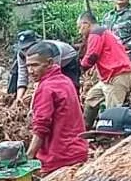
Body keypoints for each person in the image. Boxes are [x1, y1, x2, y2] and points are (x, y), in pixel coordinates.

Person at [25, 41, 87, 172]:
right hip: (78, 151)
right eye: (28, 66)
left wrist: (29, 156)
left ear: (49, 63)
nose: (30, 71)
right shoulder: (66, 81)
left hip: (59, 158)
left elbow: (41, 127)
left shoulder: (47, 87)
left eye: (35, 65)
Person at [78, 12, 131, 128]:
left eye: (80, 27)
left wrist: (79, 68)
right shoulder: (104, 32)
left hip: (117, 75)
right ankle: (85, 127)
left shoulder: (96, 33)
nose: (80, 31)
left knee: (113, 111)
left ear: (86, 24)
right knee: (92, 98)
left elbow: (92, 56)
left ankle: (112, 137)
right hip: (110, 76)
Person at [10, 31, 80, 106]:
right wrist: (19, 98)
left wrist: (37, 95)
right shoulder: (21, 54)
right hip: (45, 63)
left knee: (69, 87)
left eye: (28, 48)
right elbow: (22, 75)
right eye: (23, 49)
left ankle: (75, 106)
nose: (26, 51)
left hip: (67, 61)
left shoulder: (51, 50)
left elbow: (53, 74)